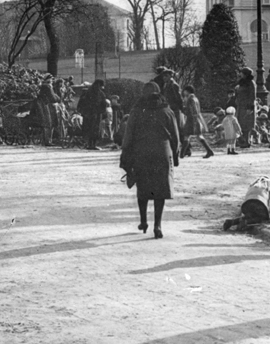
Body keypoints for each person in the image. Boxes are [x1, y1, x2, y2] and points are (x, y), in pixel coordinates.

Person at [120, 82, 181, 239]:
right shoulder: (167, 111)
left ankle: (143, 221)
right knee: (160, 189)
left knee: (143, 187)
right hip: (162, 152)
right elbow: (175, 136)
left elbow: (128, 136)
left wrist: (125, 155)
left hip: (142, 152)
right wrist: (175, 154)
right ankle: (158, 226)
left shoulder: (136, 111)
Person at [181, 85, 215, 158]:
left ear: (187, 91)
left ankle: (182, 154)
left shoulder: (190, 99)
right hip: (196, 119)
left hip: (191, 119)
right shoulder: (195, 98)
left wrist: (184, 110)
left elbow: (191, 110)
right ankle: (209, 150)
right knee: (198, 136)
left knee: (187, 136)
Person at [78, 80, 108, 149]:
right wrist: (103, 112)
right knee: (95, 129)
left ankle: (89, 144)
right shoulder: (100, 93)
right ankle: (93, 145)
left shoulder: (88, 92)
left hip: (87, 114)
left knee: (88, 128)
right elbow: (103, 104)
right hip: (96, 114)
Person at [234, 68, 256, 149]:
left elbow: (252, 96)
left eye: (242, 73)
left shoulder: (251, 83)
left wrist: (250, 108)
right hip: (241, 106)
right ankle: (242, 141)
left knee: (247, 124)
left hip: (247, 106)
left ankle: (247, 141)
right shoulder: (242, 83)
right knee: (241, 123)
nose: (241, 74)